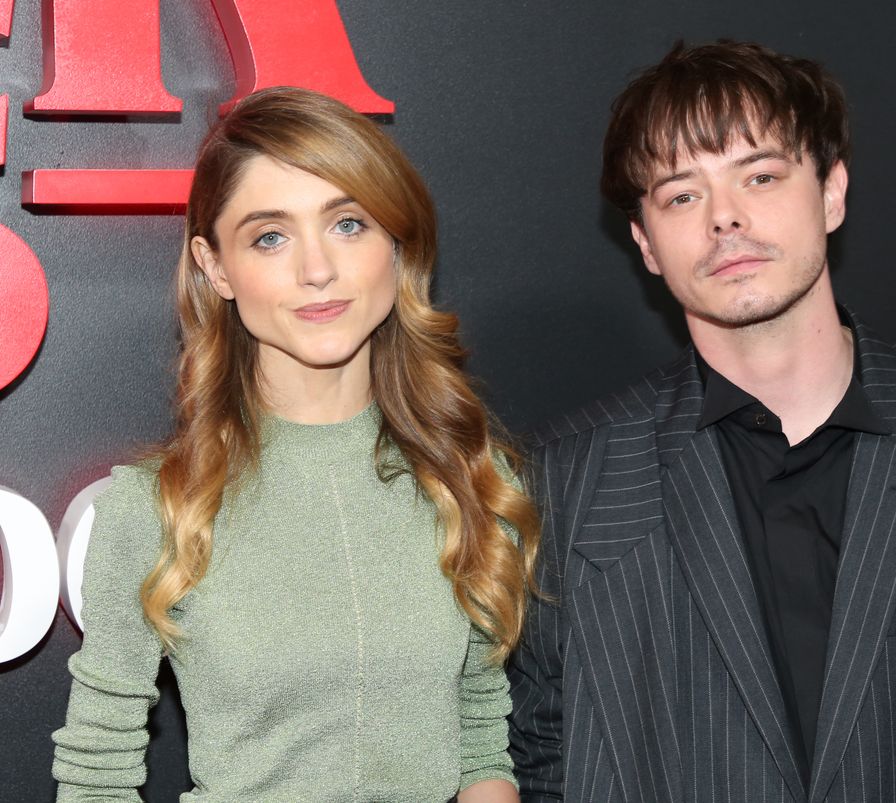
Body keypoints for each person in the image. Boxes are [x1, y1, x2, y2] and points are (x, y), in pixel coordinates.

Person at [508, 40, 896, 802]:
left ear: (832, 191)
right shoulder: (563, 484)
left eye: (760, 176)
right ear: (645, 244)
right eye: (681, 196)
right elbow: (537, 754)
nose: (725, 217)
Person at [52, 87, 537, 802]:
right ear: (216, 267)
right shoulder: (158, 506)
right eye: (270, 237)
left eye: (348, 223)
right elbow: (98, 771)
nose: (317, 269)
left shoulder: (467, 477)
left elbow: (479, 743)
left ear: (396, 242)